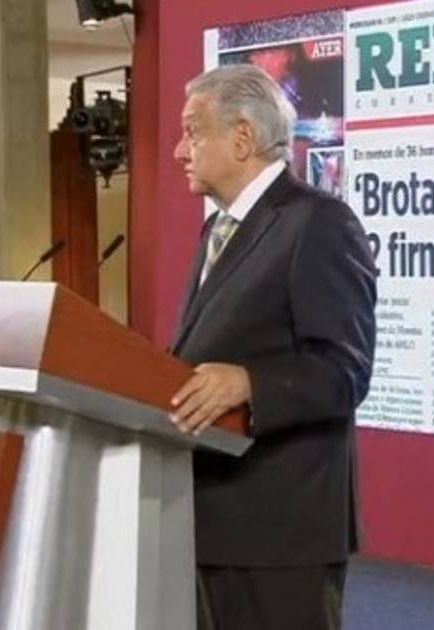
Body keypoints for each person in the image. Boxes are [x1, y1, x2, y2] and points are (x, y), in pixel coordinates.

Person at [168, 64, 377, 630]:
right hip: (212, 521)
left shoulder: (320, 223)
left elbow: (344, 370)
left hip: (281, 532)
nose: (179, 151)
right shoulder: (216, 230)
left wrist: (249, 383)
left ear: (242, 137)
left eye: (192, 132)